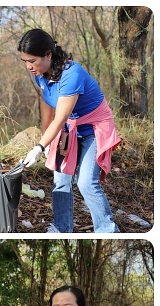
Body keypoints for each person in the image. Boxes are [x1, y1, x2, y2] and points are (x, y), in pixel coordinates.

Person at [18, 29, 121, 233]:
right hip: (69, 128)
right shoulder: (41, 75)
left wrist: (39, 146)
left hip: (93, 127)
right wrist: (45, 139)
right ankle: (62, 226)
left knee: (86, 183)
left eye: (32, 60)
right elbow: (48, 104)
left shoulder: (72, 75)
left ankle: (107, 229)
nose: (29, 66)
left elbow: (61, 117)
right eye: (24, 61)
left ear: (48, 54)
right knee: (60, 180)